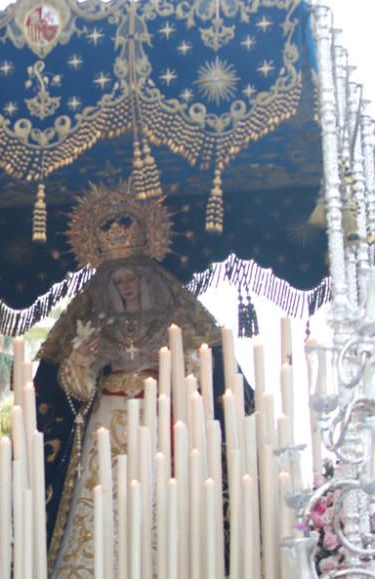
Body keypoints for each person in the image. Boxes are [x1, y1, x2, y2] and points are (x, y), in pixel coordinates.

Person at [33, 185, 252, 577]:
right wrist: (80, 362)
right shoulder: (96, 324)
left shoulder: (171, 322)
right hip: (107, 423)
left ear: (147, 280)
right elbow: (72, 390)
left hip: (158, 421)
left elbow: (203, 374)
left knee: (159, 497)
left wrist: (175, 365)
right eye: (117, 282)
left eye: (131, 279)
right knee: (101, 501)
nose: (126, 287)